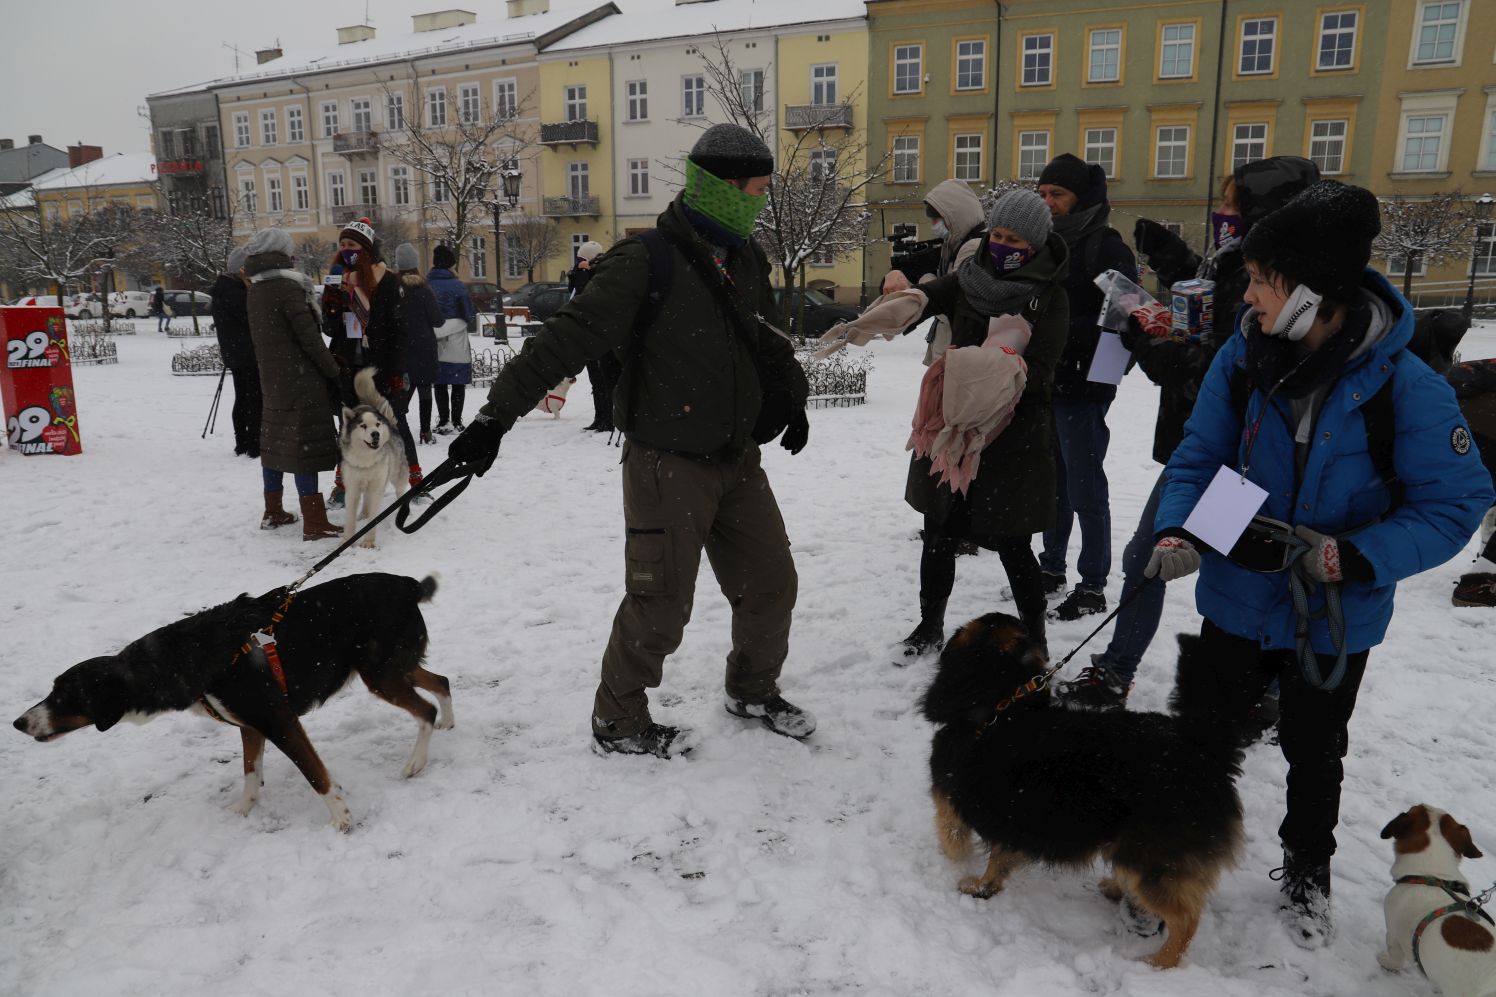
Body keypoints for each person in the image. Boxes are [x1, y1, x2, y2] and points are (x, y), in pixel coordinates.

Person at [1150, 180, 1493, 947]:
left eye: (1264, 279)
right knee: (1201, 735)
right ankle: (1171, 854)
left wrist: (1356, 555)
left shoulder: (1404, 387)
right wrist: (1179, 530)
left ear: (1314, 291)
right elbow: (1200, 456)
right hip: (1236, 591)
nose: (1249, 294)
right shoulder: (1242, 360)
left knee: (1314, 750)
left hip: (1335, 612)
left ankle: (1307, 868)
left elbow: (1456, 502)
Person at [446, 123, 814, 758]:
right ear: (724, 187)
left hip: (736, 459)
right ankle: (617, 721)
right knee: (661, 601)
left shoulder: (746, 257)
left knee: (771, 582)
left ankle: (753, 689)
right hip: (666, 462)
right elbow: (561, 341)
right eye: (755, 189)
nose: (759, 201)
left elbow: (766, 338)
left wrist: (792, 394)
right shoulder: (646, 262)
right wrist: (492, 419)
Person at [1058, 156, 1321, 710]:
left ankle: (1251, 691)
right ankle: (1248, 689)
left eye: (1232, 205)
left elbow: (1208, 372)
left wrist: (1145, 342)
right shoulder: (1245, 265)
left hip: (1234, 468)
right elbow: (1207, 308)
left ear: (1265, 214)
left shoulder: (1280, 290)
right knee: (1166, 562)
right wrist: (1173, 259)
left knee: (1203, 571)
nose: (1221, 213)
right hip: (1203, 452)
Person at [1034, 154, 1137, 621]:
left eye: (1058, 194)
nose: (1048, 203)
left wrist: (1059, 331)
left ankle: (1093, 584)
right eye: (1043, 194)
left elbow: (1126, 320)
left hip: (1085, 387)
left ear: (1082, 198)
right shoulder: (1045, 245)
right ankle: (1051, 567)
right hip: (1046, 383)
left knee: (1085, 487)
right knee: (1053, 482)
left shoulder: (1108, 249)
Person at [243, 227, 344, 540]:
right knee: (305, 448)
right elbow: (310, 338)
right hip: (301, 381)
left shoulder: (256, 288)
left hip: (273, 380)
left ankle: (273, 510)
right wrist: (333, 370)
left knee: (275, 445)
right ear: (281, 253)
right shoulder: (286, 288)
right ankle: (315, 521)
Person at [319, 218, 407, 507]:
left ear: (365, 249)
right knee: (350, 428)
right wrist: (333, 302)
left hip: (378, 365)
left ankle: (408, 478)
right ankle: (344, 483)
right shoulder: (337, 278)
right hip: (346, 364)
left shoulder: (386, 280)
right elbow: (330, 329)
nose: (346, 250)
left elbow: (397, 330)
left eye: (352, 245)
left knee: (389, 425)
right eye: (342, 245)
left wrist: (395, 370)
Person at [880, 179, 986, 366]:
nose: (934, 225)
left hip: (957, 354)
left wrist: (923, 278)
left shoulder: (972, 247)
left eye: (937, 219)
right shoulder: (954, 245)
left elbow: (954, 303)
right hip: (952, 351)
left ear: (955, 216)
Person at [393, 242, 441, 485]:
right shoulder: (425, 288)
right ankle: (425, 429)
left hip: (403, 349)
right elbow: (438, 319)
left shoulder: (392, 288)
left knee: (404, 390)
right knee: (425, 388)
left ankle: (400, 424)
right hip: (425, 346)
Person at [210, 245, 262, 460]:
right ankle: (253, 443)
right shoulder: (238, 294)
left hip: (234, 354)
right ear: (242, 269)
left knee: (242, 397)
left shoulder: (223, 290)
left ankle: (242, 441)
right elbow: (253, 321)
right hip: (248, 354)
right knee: (253, 399)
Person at [426, 244, 476, 436]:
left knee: (439, 382)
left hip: (433, 337)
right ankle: (456, 420)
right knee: (457, 381)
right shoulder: (458, 286)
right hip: (456, 338)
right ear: (450, 265)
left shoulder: (426, 284)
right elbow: (468, 314)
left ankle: (443, 420)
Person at [571, 240, 617, 434]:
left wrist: (584, 273)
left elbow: (585, 295)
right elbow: (572, 288)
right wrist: (578, 271)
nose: (579, 262)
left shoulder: (600, 275)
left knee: (604, 380)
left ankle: (608, 419)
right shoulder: (585, 273)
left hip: (601, 336)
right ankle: (599, 417)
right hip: (588, 336)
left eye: (582, 259)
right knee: (595, 381)